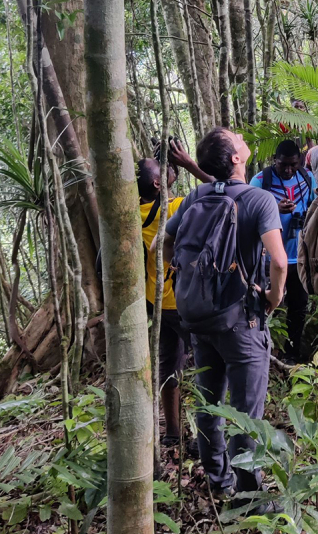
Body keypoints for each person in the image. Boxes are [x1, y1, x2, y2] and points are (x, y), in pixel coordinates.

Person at [162, 128, 287, 509]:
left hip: (200, 321)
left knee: (208, 404)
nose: (240, 137)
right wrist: (272, 298)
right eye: (235, 138)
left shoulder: (194, 197)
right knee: (246, 411)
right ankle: (250, 495)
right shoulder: (259, 200)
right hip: (242, 322)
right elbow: (279, 262)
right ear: (235, 158)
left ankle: (219, 480)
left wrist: (191, 281)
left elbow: (166, 244)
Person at [137, 139, 212, 447]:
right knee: (207, 364)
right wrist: (188, 165)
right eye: (163, 170)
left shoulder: (130, 213)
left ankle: (171, 433)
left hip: (155, 301)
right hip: (181, 302)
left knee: (170, 365)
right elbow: (219, 187)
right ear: (158, 183)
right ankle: (203, 435)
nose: (169, 170)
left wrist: (168, 166)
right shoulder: (174, 206)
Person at [250, 140, 317, 364]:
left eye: (293, 165)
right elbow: (248, 217)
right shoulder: (260, 181)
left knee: (298, 308)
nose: (288, 170)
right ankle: (263, 353)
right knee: (267, 306)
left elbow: (316, 209)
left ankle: (292, 354)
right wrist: (274, 208)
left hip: (298, 255)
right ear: (274, 161)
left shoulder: (307, 179)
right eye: (283, 165)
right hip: (268, 258)